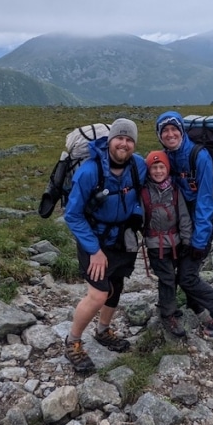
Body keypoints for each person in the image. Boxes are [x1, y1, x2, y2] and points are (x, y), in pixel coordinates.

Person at [62, 118, 148, 374]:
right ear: (110, 140)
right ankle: (73, 341)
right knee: (98, 294)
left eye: (129, 139)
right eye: (119, 138)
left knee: (116, 286)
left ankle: (102, 331)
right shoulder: (89, 172)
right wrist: (95, 251)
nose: (124, 143)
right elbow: (72, 215)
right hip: (94, 238)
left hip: (122, 238)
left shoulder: (138, 166)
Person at [154, 110, 213, 337]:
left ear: (182, 131)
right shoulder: (167, 157)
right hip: (180, 226)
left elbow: (205, 201)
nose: (170, 134)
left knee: (187, 276)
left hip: (200, 226)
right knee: (183, 272)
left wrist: (199, 240)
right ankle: (197, 308)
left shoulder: (200, 156)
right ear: (159, 135)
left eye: (174, 129)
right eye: (165, 131)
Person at [141, 150, 191, 339]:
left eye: (162, 167)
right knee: (167, 277)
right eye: (154, 168)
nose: (158, 171)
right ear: (148, 170)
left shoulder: (175, 191)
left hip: (176, 242)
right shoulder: (144, 192)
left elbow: (184, 216)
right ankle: (168, 314)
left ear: (167, 168)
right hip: (155, 244)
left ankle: (166, 305)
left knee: (174, 276)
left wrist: (187, 240)